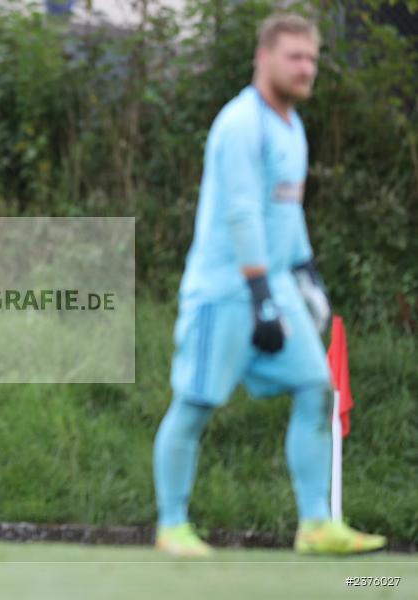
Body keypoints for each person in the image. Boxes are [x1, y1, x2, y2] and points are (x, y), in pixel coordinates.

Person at [152, 14, 386, 557]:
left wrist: (306, 274)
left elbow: (286, 209)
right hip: (224, 293)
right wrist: (261, 297)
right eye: (295, 57)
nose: (306, 69)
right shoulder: (240, 123)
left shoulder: (292, 127)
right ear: (264, 59)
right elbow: (240, 213)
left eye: (312, 59)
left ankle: (316, 525)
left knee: (317, 388)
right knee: (195, 404)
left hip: (275, 286)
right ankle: (172, 527)